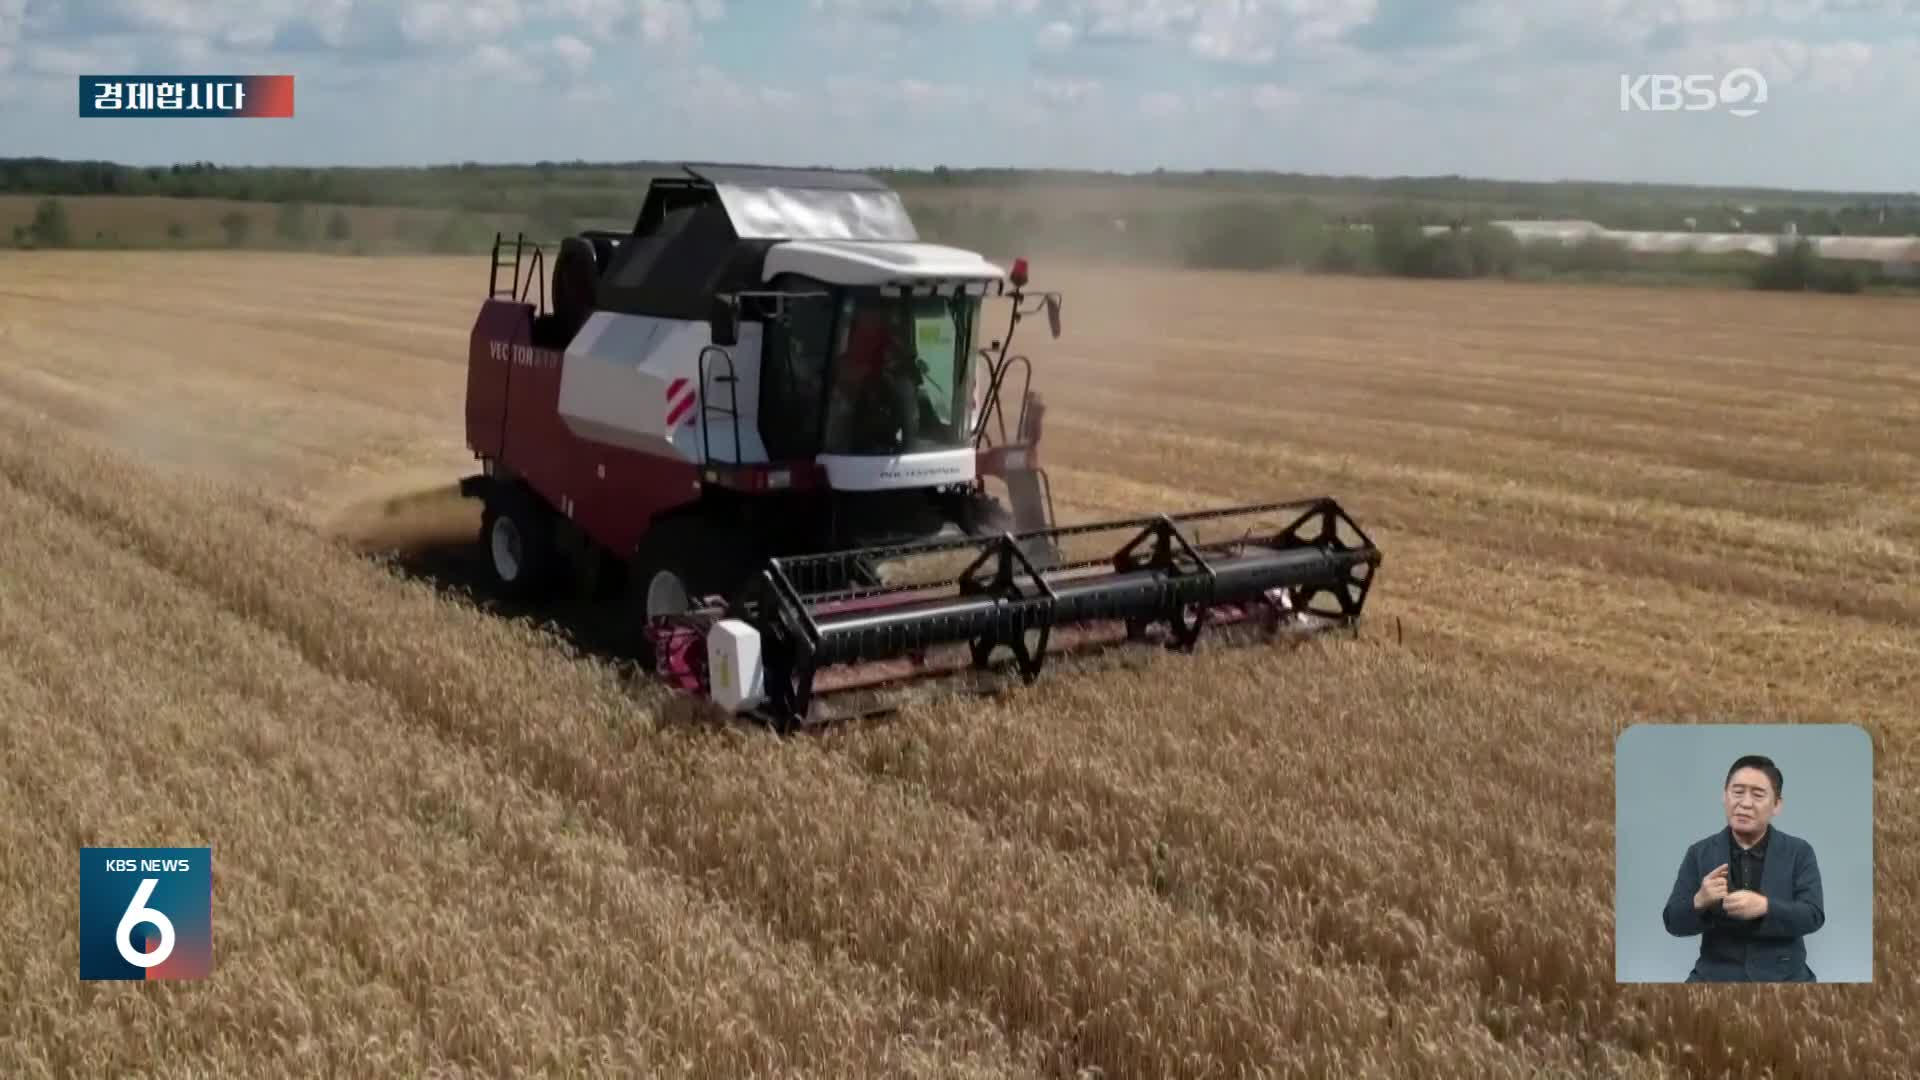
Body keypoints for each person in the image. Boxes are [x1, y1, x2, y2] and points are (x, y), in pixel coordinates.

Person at [1661, 754, 1825, 982]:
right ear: (1724, 795)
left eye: (1757, 795)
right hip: (1715, 974)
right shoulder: (1699, 852)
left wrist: (1766, 907)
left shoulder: (1799, 851)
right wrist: (1699, 901)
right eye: (1737, 792)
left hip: (1785, 975)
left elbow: (1813, 915)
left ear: (1777, 805)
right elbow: (1672, 922)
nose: (1745, 803)